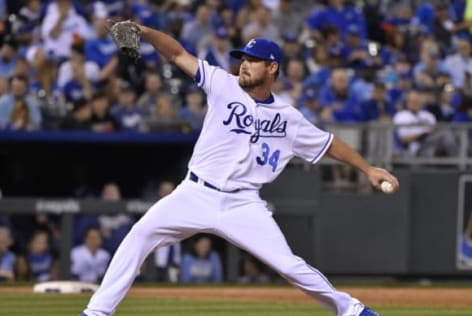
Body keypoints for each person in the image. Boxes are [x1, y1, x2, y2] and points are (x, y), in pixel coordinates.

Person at [80, 21, 399, 316]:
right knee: (140, 234)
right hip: (195, 192)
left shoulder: (288, 118)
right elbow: (177, 53)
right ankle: (97, 312)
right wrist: (144, 31)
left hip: (243, 204)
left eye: (253, 59)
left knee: (289, 265)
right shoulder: (222, 84)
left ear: (272, 67)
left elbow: (329, 143)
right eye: (243, 58)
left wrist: (367, 168)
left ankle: (351, 310)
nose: (244, 64)